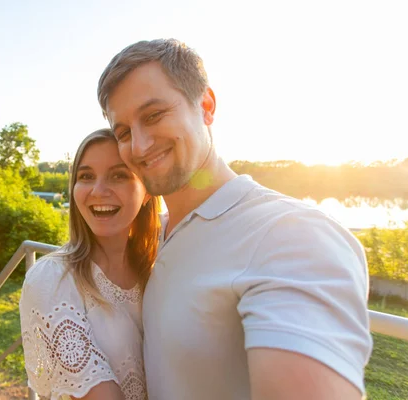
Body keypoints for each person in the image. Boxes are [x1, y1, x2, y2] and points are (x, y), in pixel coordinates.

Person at [97, 39, 373, 400]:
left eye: (153, 115)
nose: (139, 146)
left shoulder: (292, 235)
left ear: (206, 106)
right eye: (124, 133)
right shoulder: (159, 234)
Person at [19, 128, 160, 400]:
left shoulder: (159, 270)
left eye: (118, 175)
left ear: (147, 192)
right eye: (86, 176)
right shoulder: (53, 279)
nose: (98, 190)